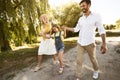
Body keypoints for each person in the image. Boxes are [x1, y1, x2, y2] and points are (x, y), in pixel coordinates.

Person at [63, 0, 107, 80]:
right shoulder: (81, 19)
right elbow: (76, 29)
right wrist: (66, 28)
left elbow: (101, 30)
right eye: (81, 6)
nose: (82, 8)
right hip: (80, 43)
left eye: (83, 5)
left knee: (93, 60)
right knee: (79, 61)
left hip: (90, 43)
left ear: (89, 5)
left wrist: (104, 43)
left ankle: (96, 70)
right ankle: (78, 77)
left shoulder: (96, 16)